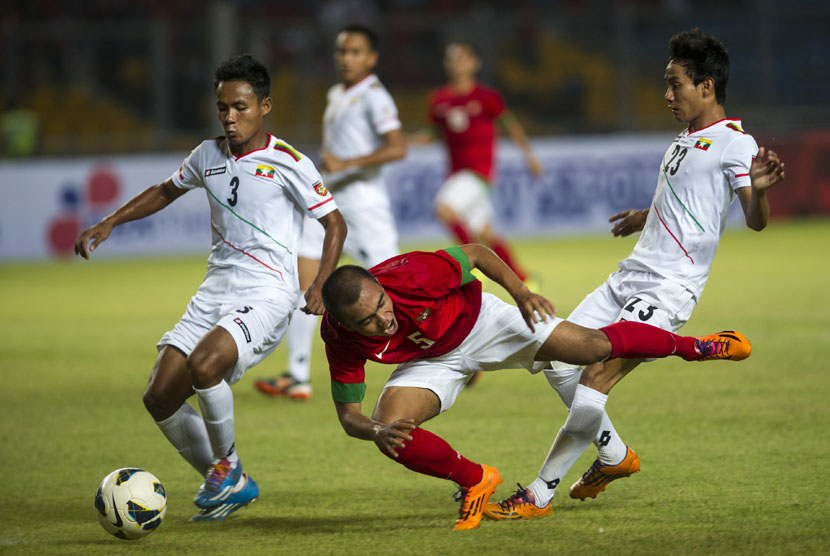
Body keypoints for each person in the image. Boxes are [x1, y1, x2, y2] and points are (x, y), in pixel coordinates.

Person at [483, 28, 786, 522]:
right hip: (627, 276)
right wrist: (646, 216)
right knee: (558, 362)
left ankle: (539, 493)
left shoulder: (736, 143)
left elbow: (754, 218)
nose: (667, 95)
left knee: (594, 378)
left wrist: (764, 189)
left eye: (676, 84)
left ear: (707, 86)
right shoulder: (686, 138)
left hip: (669, 288)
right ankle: (614, 456)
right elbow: (691, 201)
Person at [74, 54, 347, 522]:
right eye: (222, 107)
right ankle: (229, 484)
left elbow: (335, 223)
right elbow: (165, 190)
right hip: (215, 290)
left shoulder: (289, 162)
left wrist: (319, 283)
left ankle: (229, 468)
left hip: (268, 292)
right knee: (159, 396)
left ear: (265, 106)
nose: (229, 117)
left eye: (239, 107)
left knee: (205, 366)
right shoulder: (207, 154)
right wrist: (110, 221)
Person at [319, 243, 750, 530]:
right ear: (344, 322)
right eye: (368, 321)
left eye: (382, 305)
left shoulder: (412, 273)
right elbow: (347, 417)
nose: (383, 319)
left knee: (591, 347)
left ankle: (695, 347)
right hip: (433, 361)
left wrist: (522, 293)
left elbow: (477, 253)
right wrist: (375, 430)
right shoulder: (338, 337)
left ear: (380, 287)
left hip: (484, 322)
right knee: (390, 428)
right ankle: (476, 479)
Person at [254, 24, 405, 400]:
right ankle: (298, 374)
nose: (346, 58)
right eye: (342, 52)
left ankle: (443, 351)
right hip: (329, 207)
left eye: (355, 52)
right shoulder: (338, 92)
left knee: (397, 290)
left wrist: (347, 162)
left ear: (371, 58)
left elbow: (397, 148)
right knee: (307, 285)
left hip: (366, 206)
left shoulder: (375, 96)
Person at [409, 40, 542, 283]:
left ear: (475, 63)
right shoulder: (439, 100)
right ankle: (523, 279)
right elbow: (431, 134)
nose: (456, 63)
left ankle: (471, 266)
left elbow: (510, 126)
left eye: (462, 58)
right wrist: (406, 141)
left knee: (445, 210)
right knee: (485, 233)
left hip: (478, 173)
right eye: (451, 58)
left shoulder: (486, 97)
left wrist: (529, 156)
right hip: (457, 175)